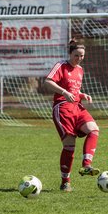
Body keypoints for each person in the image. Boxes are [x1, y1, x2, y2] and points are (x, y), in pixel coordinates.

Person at [44, 39, 100, 192]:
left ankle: (86, 165)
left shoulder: (80, 70)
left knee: (93, 129)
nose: (79, 58)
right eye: (77, 55)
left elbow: (74, 91)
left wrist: (82, 95)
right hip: (62, 108)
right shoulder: (61, 66)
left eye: (82, 56)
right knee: (69, 146)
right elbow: (48, 81)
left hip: (77, 107)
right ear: (70, 53)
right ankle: (65, 182)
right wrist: (64, 92)